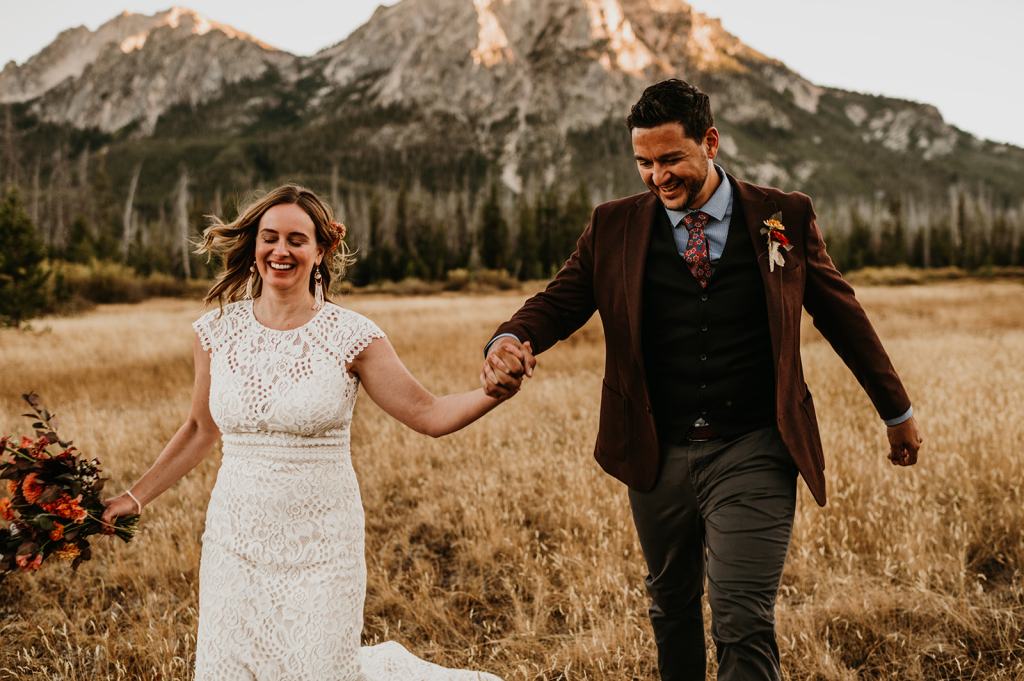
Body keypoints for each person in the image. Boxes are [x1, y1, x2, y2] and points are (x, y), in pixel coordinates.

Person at [481, 79, 924, 681]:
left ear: (710, 142)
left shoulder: (780, 217)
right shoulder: (614, 226)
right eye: (643, 162)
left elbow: (842, 314)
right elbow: (558, 303)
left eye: (670, 159)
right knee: (671, 608)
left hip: (755, 445)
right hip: (655, 452)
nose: (657, 176)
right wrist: (510, 339)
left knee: (742, 617)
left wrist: (896, 413)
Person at [101, 184, 508, 681]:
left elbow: (430, 414)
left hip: (322, 548)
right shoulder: (215, 333)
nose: (281, 250)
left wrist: (495, 391)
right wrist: (133, 498)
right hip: (235, 542)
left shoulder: (352, 335)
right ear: (253, 247)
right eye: (269, 237)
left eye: (297, 239)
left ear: (321, 251)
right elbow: (199, 428)